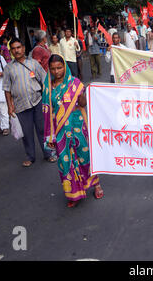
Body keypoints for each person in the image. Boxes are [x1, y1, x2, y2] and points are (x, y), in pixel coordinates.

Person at [43, 54, 103, 208]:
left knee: (85, 158)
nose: (57, 71)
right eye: (53, 69)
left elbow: (82, 103)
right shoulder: (48, 89)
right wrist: (49, 136)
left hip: (78, 126)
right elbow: (47, 113)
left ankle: (95, 184)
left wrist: (83, 93)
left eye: (59, 68)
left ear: (65, 67)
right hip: (60, 130)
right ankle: (73, 193)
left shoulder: (75, 83)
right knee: (66, 162)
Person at [2, 37, 56, 167]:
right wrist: (10, 107)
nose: (16, 50)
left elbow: (45, 81)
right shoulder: (8, 68)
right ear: (11, 51)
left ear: (24, 48)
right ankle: (30, 157)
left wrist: (49, 99)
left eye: (18, 47)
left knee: (42, 130)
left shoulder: (33, 64)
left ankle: (48, 154)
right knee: (26, 133)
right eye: (13, 49)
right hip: (20, 105)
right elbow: (7, 89)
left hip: (37, 101)